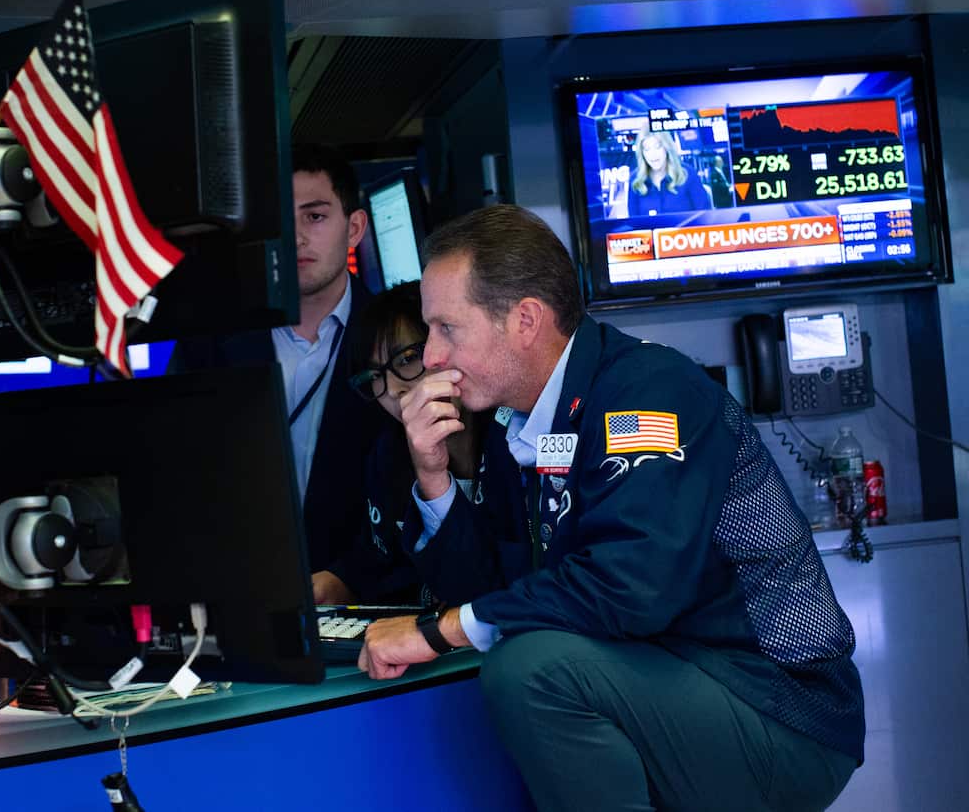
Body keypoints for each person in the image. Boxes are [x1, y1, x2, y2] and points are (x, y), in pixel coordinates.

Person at [358, 204, 863, 811]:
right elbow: (489, 594)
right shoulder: (512, 426)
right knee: (518, 655)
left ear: (524, 320)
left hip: (776, 706)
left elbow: (631, 587)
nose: (431, 357)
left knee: (531, 669)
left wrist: (435, 634)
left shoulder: (644, 395)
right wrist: (434, 478)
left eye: (447, 329)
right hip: (666, 675)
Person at [172, 145, 383, 579]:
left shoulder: (397, 339)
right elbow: (179, 470)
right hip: (236, 584)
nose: (297, 237)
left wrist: (350, 575)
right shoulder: (207, 341)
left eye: (315, 216)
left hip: (362, 599)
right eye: (280, 221)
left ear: (355, 228)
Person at [318, 281, 487, 605]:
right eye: (374, 377)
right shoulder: (388, 454)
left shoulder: (515, 436)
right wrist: (340, 581)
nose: (393, 389)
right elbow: (381, 560)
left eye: (408, 359)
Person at [626, 126, 712, 216]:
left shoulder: (687, 174)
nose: (653, 154)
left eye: (658, 147)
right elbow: (633, 223)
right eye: (647, 149)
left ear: (667, 148)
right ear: (642, 153)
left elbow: (705, 217)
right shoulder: (635, 180)